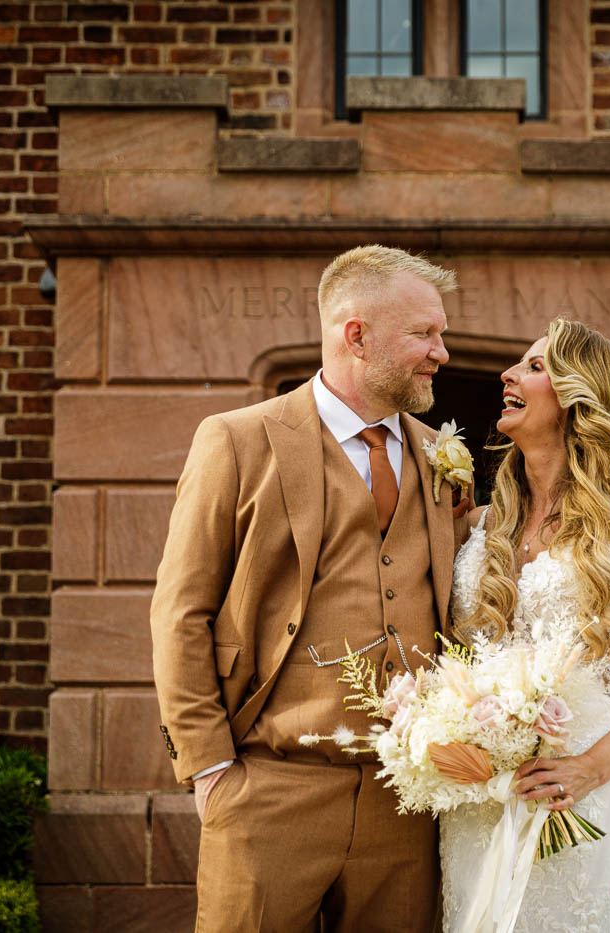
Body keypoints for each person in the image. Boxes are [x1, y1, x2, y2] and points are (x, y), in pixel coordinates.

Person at [150, 244, 468, 933]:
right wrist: (209, 770)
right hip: (270, 785)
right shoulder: (236, 441)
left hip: (404, 799)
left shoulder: (444, 459)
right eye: (424, 333)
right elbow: (180, 612)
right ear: (357, 335)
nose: (441, 351)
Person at [441, 319, 610, 932]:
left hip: (579, 777)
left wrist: (591, 767)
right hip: (478, 782)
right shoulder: (480, 523)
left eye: (534, 367)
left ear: (580, 398)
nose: (508, 375)